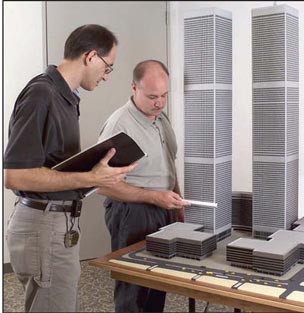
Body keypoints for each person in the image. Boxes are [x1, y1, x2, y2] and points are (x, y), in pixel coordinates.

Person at [4, 24, 137, 312]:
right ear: (90, 56)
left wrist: (97, 177)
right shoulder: (42, 94)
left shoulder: (66, 97)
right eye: (107, 67)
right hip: (43, 227)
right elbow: (15, 176)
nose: (106, 76)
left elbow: (53, 167)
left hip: (56, 226)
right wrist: (90, 176)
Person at [97, 60, 190, 313]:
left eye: (164, 95)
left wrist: (177, 201)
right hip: (132, 212)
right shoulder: (120, 125)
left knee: (158, 279)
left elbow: (169, 162)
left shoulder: (160, 117)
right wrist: (153, 197)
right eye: (152, 96)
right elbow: (102, 185)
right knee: (134, 288)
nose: (159, 102)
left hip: (164, 206)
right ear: (133, 88)